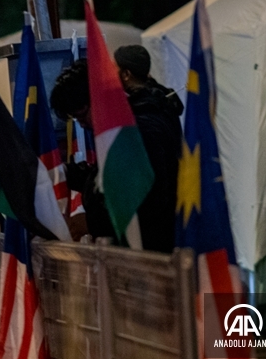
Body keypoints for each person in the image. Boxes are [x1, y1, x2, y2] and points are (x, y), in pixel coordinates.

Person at [51, 56, 183, 253]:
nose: (82, 124)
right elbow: (113, 177)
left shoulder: (140, 131)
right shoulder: (133, 121)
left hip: (153, 257)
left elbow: (147, 200)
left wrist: (92, 222)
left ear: (98, 98)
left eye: (81, 114)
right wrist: (61, 173)